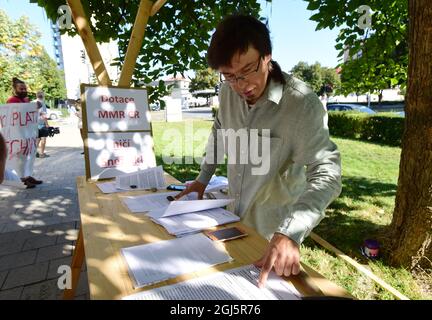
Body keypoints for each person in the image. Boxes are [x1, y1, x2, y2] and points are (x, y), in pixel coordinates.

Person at [175, 15, 342, 288]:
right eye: (229, 76)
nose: (241, 85)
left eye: (248, 70)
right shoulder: (228, 92)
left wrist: (291, 232)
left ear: (267, 57)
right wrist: (202, 179)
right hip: (230, 221)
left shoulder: (302, 104)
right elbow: (220, 130)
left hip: (273, 234)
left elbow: (328, 173)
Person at [7, 77, 43, 188]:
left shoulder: (26, 100)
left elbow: (29, 114)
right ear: (15, 89)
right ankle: (22, 179)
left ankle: (28, 176)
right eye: (21, 89)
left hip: (27, 134)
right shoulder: (11, 101)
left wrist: (36, 107)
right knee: (20, 158)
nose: (23, 91)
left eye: (24, 88)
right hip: (17, 134)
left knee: (29, 156)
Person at [35, 91, 50, 158]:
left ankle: (34, 153)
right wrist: (47, 124)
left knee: (37, 139)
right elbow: (43, 114)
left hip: (35, 124)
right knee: (43, 139)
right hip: (41, 123)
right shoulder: (42, 103)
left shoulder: (33, 102)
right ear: (43, 96)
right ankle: (41, 154)